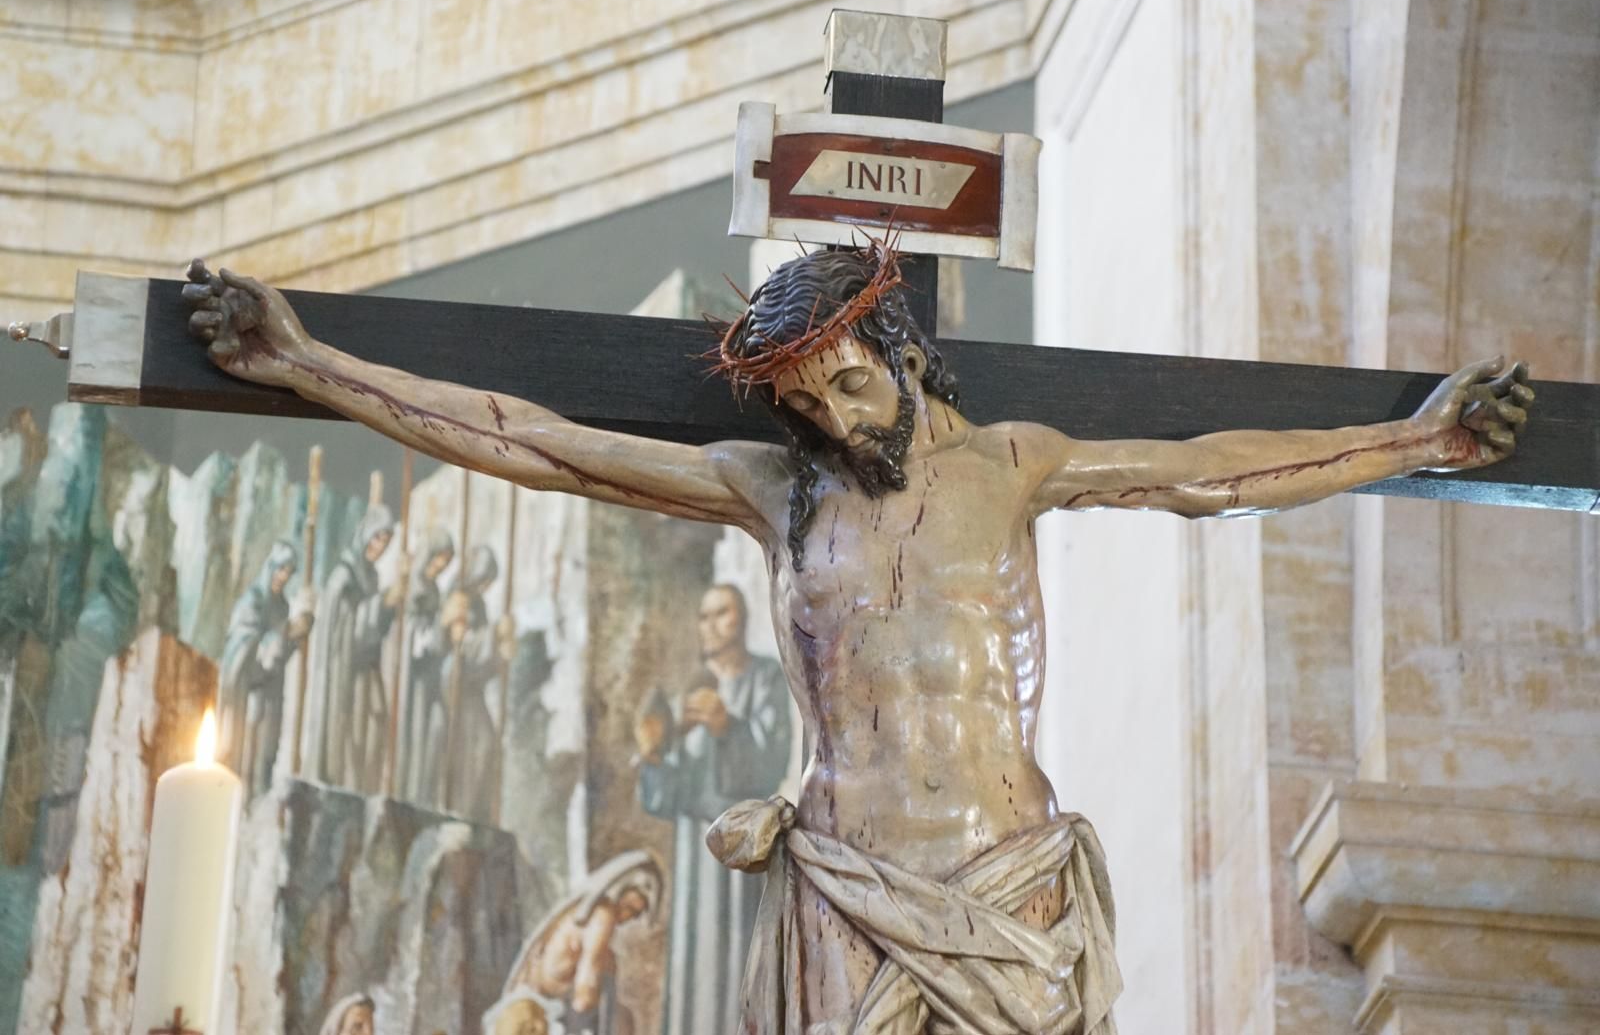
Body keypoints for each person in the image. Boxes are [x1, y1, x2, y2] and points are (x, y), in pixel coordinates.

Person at [185, 243, 1533, 1033]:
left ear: (900, 350)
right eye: (806, 401)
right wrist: (308, 363)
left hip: (1008, 885)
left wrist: (1419, 442)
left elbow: (1212, 471)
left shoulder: (1014, 463)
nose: (835, 416)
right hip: (845, 885)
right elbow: (532, 441)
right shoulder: (768, 490)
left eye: (848, 380)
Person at [636, 584, 791, 1035]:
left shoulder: (765, 678)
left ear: (741, 620)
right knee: (693, 963)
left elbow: (772, 763)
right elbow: (667, 795)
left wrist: (727, 728)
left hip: (744, 853)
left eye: (721, 613)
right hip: (694, 855)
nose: (711, 625)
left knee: (741, 960)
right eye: (704, 616)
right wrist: (652, 756)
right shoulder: (688, 689)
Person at [503, 850, 662, 1035]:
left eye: (636, 914)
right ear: (622, 890)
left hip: (532, 1006)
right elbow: (585, 993)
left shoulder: (585, 915)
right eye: (631, 908)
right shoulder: (603, 916)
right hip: (535, 1014)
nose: (628, 917)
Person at [306, 503, 404, 792]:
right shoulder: (344, 576)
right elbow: (347, 630)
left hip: (366, 667)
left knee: (375, 723)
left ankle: (363, 788)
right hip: (343, 671)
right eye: (376, 538)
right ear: (365, 534)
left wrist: (386, 608)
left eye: (385, 542)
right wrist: (382, 603)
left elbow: (374, 631)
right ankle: (345, 786)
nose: (379, 547)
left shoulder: (371, 576)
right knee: (351, 733)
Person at [218, 539, 312, 799]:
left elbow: (280, 654)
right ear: (271, 566)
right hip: (247, 690)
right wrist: (285, 632)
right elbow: (245, 645)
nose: (283, 577)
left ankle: (259, 795)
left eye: (289, 572)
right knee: (246, 750)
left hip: (270, 690)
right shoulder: (252, 601)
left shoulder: (282, 606)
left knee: (267, 749)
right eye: (281, 569)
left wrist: (297, 635)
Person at [440, 544, 513, 820]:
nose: (485, 587)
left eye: (489, 582)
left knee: (487, 744)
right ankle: (462, 811)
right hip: (453, 689)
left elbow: (481, 658)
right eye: (483, 580)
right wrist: (494, 635)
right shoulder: (456, 598)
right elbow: (460, 648)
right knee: (470, 747)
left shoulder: (478, 605)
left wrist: (501, 654)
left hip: (471, 689)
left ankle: (478, 813)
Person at [400, 527, 454, 806]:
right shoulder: (412, 587)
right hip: (410, 678)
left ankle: (423, 795)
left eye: (444, 565)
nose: (438, 568)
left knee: (436, 729)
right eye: (435, 562)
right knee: (413, 735)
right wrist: (440, 626)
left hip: (428, 676)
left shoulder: (434, 590)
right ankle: (409, 794)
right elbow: (409, 635)